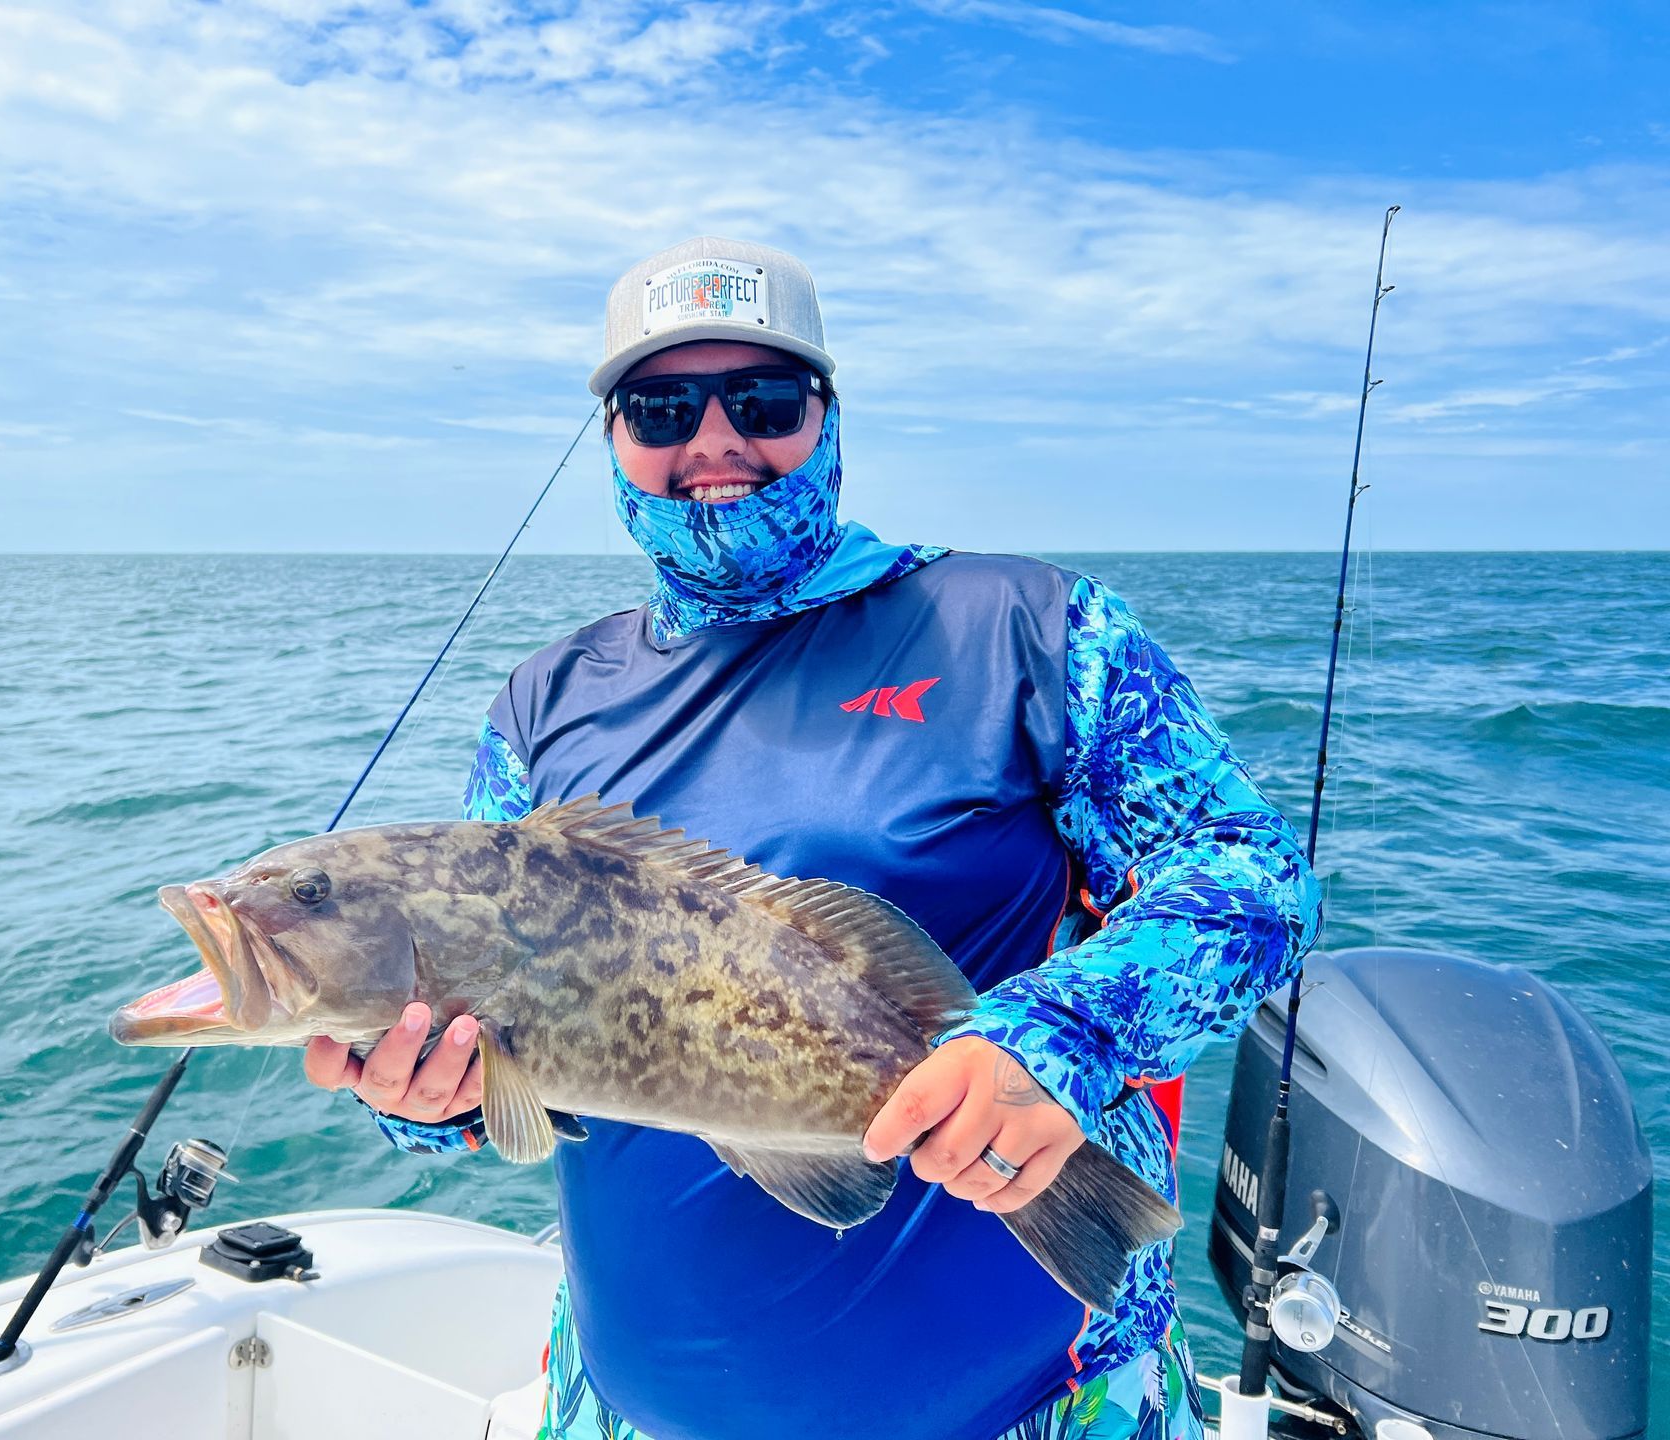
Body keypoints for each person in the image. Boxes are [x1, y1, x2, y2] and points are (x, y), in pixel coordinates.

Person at [304, 237, 1321, 1440]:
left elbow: (1253, 877)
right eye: (662, 408)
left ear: (828, 415)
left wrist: (1059, 1035)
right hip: (621, 1405)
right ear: (613, 438)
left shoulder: (1030, 627)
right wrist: (423, 1098)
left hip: (1039, 1401)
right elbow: (502, 1054)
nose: (714, 441)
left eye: (764, 401)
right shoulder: (542, 705)